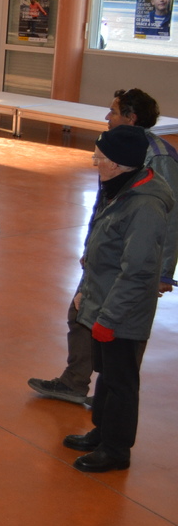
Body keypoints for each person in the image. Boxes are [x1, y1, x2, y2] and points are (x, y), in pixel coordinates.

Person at [28, 87, 178, 404]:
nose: (107, 116)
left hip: (130, 261)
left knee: (123, 333)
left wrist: (164, 272)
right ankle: (75, 381)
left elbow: (168, 217)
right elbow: (104, 205)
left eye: (114, 111)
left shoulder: (158, 157)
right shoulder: (112, 147)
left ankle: (113, 397)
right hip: (106, 253)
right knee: (80, 312)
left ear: (131, 117)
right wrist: (90, 248)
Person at [61, 126, 172, 472]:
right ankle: (102, 431)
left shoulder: (145, 206)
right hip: (105, 300)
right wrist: (87, 292)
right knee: (107, 375)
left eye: (101, 158)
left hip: (123, 310)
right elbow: (104, 253)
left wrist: (109, 319)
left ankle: (116, 449)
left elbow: (137, 271)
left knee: (121, 380)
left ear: (119, 164)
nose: (96, 163)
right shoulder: (120, 188)